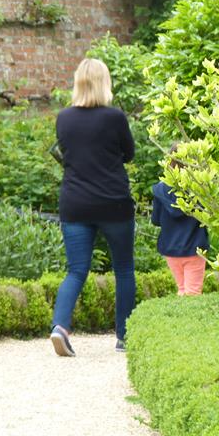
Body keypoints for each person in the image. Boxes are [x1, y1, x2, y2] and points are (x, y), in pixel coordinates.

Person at [49, 58, 136, 357]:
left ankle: (60, 327)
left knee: (76, 271)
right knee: (123, 269)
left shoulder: (64, 118)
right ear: (104, 82)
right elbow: (130, 154)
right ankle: (124, 336)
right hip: (113, 203)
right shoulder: (114, 117)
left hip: (75, 204)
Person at [151, 148, 209, 296]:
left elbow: (156, 220)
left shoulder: (160, 189)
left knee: (182, 290)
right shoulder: (198, 187)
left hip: (170, 249)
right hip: (194, 248)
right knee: (193, 293)